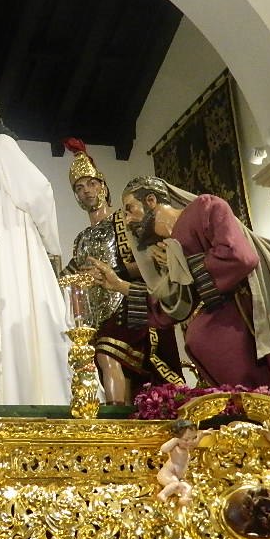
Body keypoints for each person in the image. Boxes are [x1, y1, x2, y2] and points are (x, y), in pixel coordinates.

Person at [88, 175, 270, 421]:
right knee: (201, 338)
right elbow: (173, 305)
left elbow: (240, 256)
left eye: (130, 209)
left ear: (151, 200)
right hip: (239, 308)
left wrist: (186, 267)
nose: (127, 220)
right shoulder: (169, 248)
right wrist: (120, 286)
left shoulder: (205, 207)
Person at [0, 51, 70, 407]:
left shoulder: (2, 146)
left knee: (18, 315)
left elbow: (39, 191)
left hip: (14, 256)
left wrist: (51, 247)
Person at [62, 139, 183, 406]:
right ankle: (124, 415)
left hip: (128, 304)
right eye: (79, 188)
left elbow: (146, 262)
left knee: (107, 354)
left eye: (91, 184)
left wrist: (113, 275)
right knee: (103, 364)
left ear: (103, 186)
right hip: (96, 313)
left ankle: (114, 417)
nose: (86, 191)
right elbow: (68, 275)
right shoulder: (81, 239)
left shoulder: (123, 220)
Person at [156, 418, 206, 506]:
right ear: (177, 438)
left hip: (177, 477)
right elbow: (163, 449)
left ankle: (184, 500)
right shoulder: (175, 447)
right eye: (186, 439)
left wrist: (201, 435)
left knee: (188, 487)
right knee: (175, 484)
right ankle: (163, 494)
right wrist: (174, 440)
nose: (190, 442)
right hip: (166, 474)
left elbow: (194, 444)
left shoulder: (186, 448)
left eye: (193, 438)